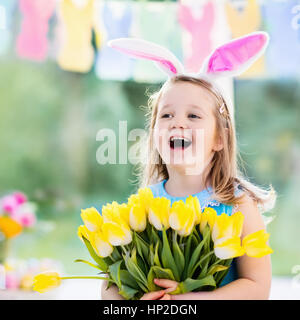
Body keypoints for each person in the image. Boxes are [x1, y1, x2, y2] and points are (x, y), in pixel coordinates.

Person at [101, 32, 276, 300]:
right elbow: (109, 286)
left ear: (219, 138)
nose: (177, 123)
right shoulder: (143, 205)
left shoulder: (238, 204)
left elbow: (257, 287)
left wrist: (185, 301)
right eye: (167, 115)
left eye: (193, 116)